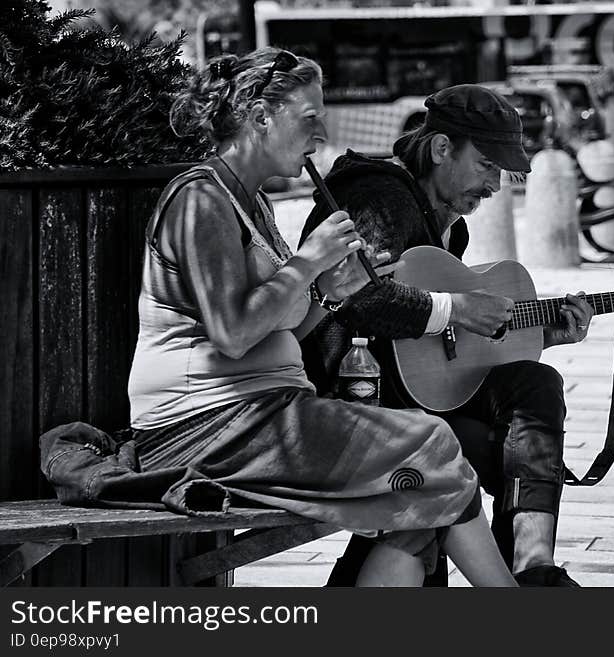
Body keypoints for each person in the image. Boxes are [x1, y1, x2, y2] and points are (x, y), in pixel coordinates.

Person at [126, 48, 517, 587]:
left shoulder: (252, 202)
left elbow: (281, 326)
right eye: (310, 118)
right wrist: (309, 260)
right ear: (261, 116)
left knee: (427, 495)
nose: (321, 135)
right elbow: (232, 333)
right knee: (434, 447)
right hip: (204, 424)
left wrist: (331, 292)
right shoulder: (201, 199)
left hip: (260, 413)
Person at [299, 84, 595, 586]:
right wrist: (457, 308)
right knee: (475, 455)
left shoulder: (449, 225)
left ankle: (532, 566)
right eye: (486, 166)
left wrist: (540, 335)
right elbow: (362, 301)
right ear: (441, 149)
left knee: (534, 384)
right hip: (354, 394)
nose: (496, 185)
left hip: (408, 391)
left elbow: (440, 348)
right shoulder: (379, 195)